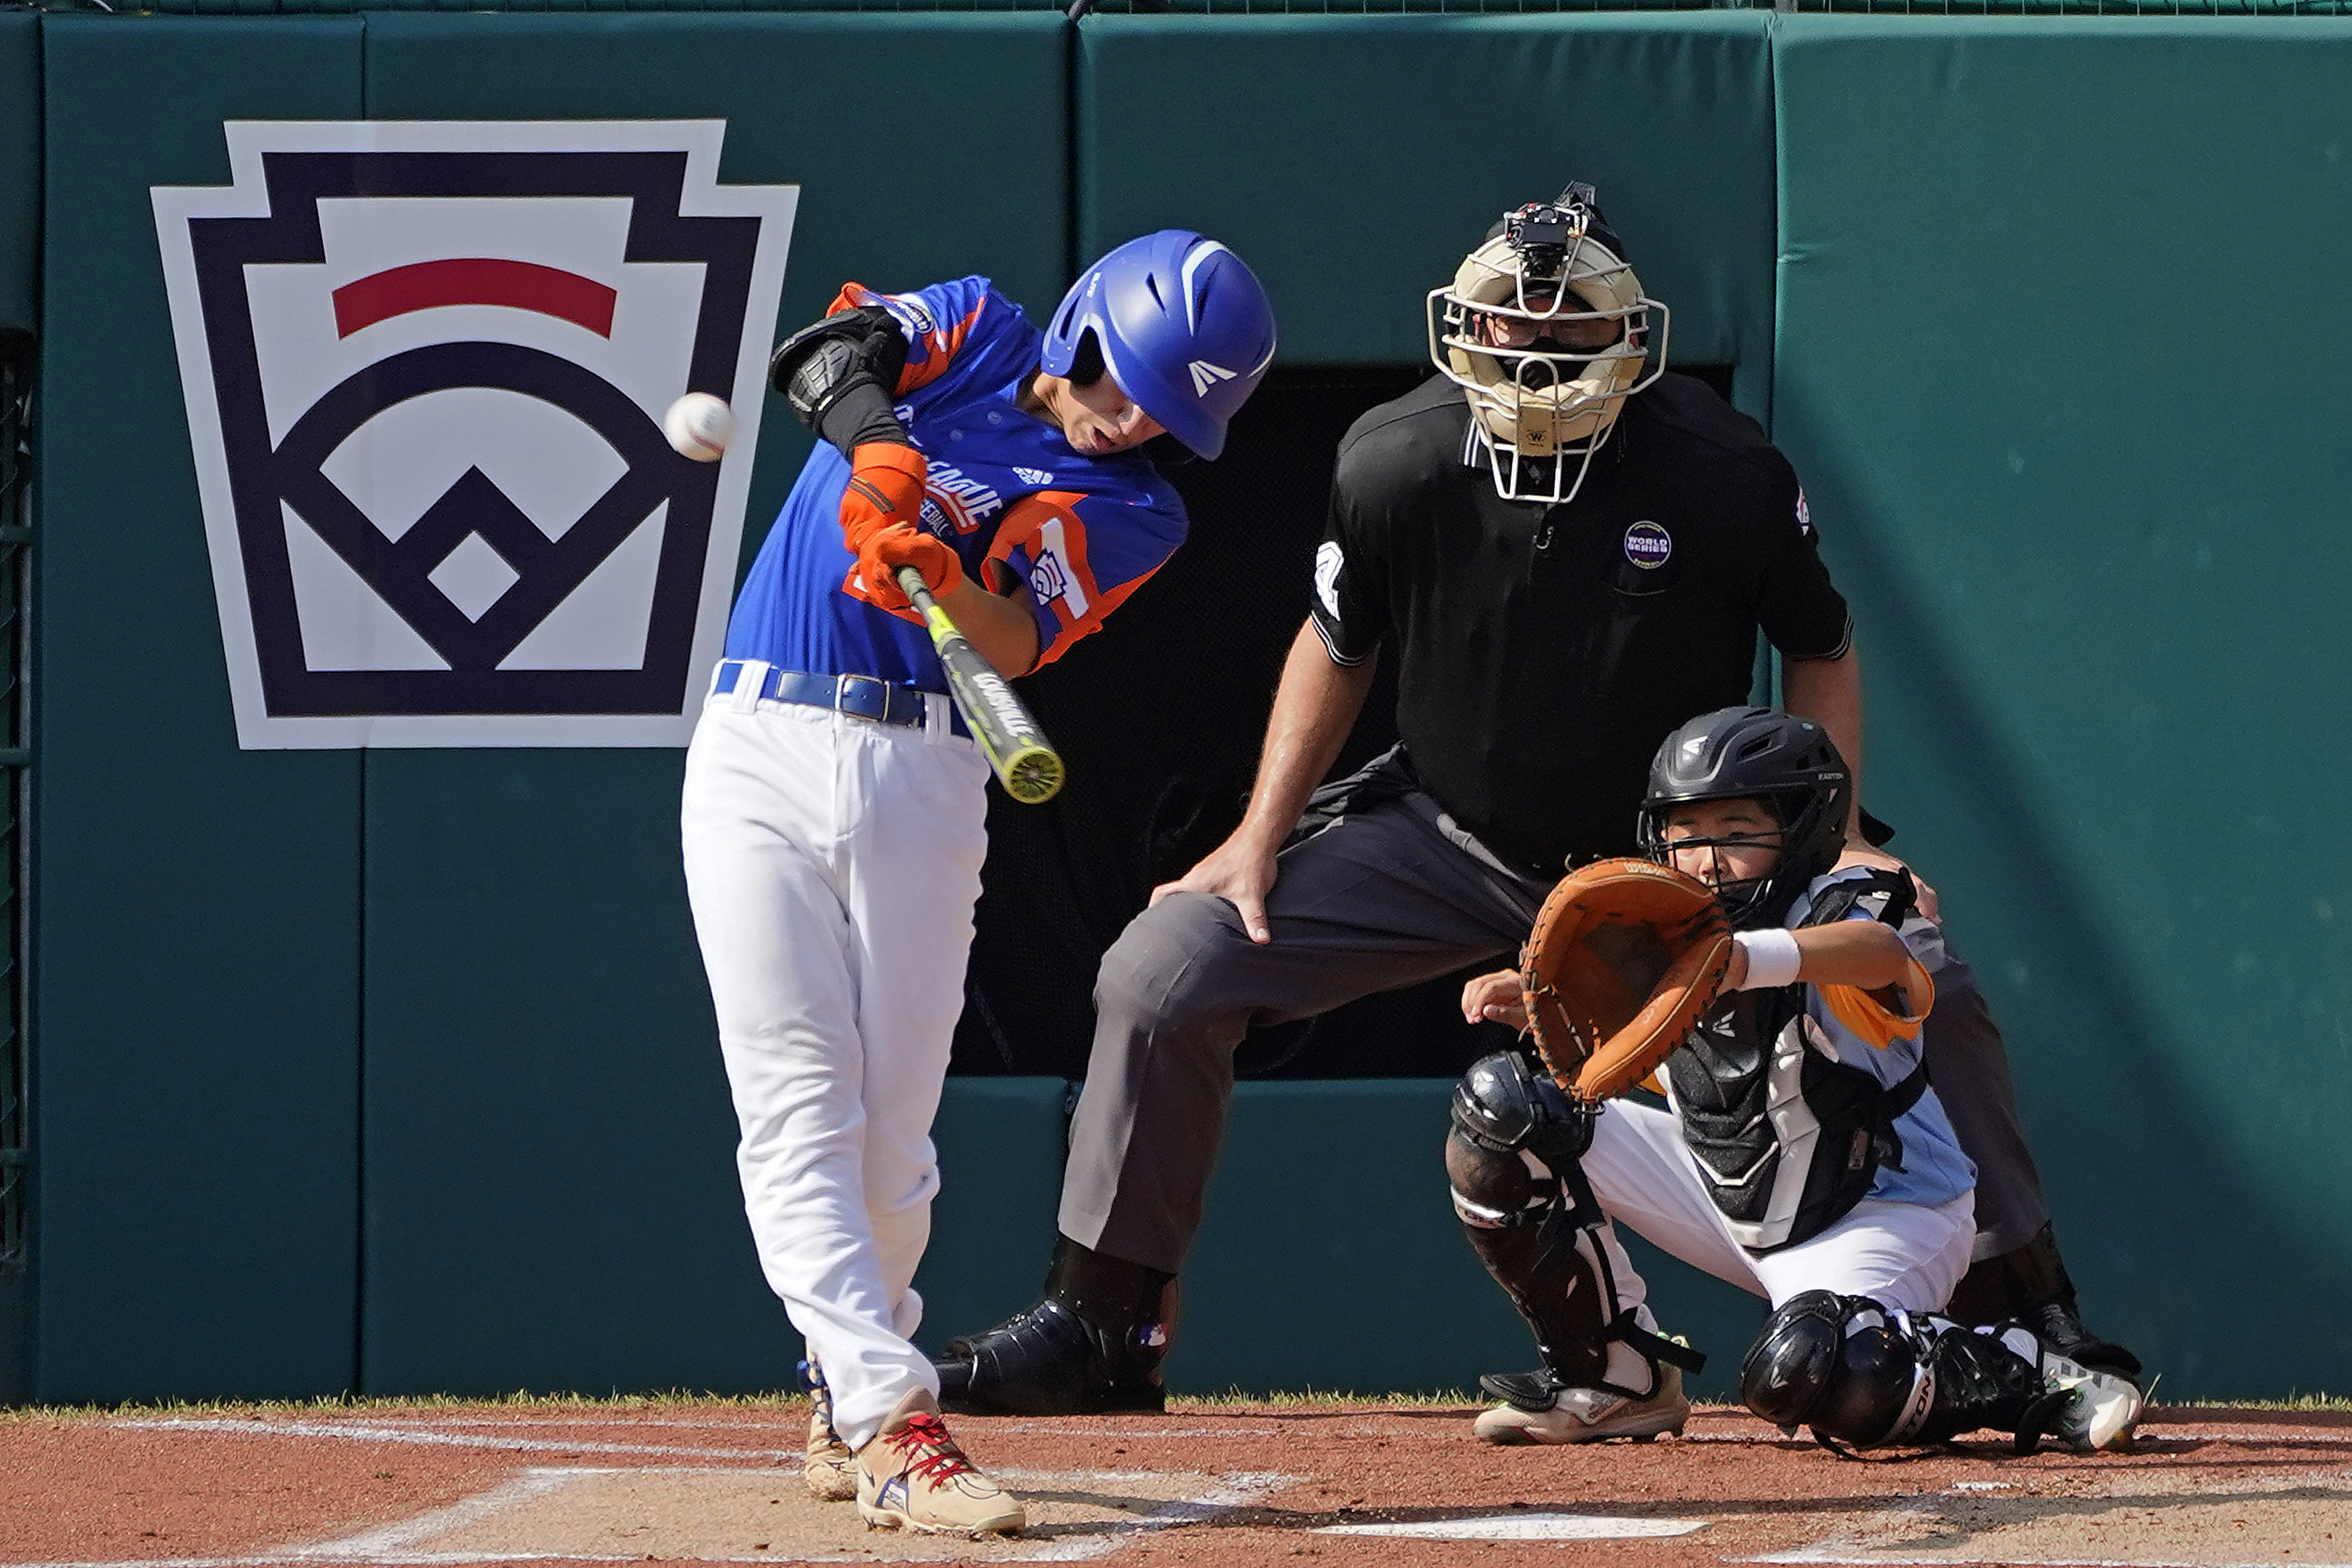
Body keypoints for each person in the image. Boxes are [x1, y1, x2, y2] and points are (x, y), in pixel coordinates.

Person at [933, 184, 2133, 1419]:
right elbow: (1337, 644)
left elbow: (1820, 645)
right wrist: (1251, 839)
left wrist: (1838, 843)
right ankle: (1105, 1325)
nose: (1537, 354)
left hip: (1671, 866)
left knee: (1936, 977)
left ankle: (2026, 1313)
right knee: (1163, 967)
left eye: (1569, 335)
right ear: (1464, 327)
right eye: (1514, 328)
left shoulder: (1721, 467)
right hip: (1446, 831)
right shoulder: (1394, 454)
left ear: (1632, 339)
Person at [681, 232, 1275, 1535]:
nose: (1130, 426)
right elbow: (828, 356)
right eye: (1125, 386)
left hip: (929, 767)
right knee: (794, 1099)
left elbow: (1013, 636)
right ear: (1086, 326)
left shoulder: (1140, 507)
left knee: (892, 1133)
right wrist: (883, 451)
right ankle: (892, 1418)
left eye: (1162, 414)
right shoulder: (985, 330)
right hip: (759, 743)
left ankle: (840, 1390)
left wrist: (943, 568)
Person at [1446, 705, 2140, 1451]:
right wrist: (1568, 1010)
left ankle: (2039, 1372)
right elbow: (1718, 1094)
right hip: (1738, 1197)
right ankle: (1615, 1374)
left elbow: (1880, 953)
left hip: (1884, 1213)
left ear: (1802, 828)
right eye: (1685, 835)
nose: (1707, 858)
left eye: (1739, 833)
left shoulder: (1851, 906)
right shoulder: (1652, 939)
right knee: (1503, 1109)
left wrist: (1750, 960)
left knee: (1814, 1373)